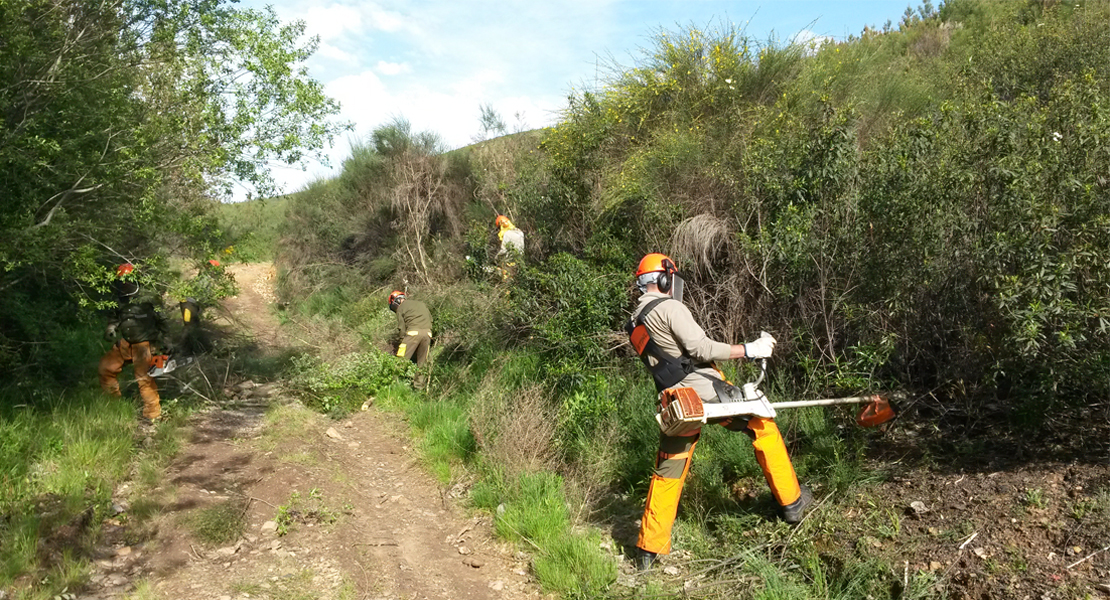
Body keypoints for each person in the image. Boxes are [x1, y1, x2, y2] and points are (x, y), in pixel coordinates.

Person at [625, 253, 812, 571]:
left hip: (675, 402)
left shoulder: (634, 321)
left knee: (669, 469)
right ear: (664, 279)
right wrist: (748, 349)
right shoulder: (670, 307)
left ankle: (648, 549)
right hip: (705, 394)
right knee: (761, 425)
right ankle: (792, 502)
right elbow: (702, 349)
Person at [99, 263, 168, 422]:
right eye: (121, 281)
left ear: (134, 279)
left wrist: (166, 341)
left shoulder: (149, 298)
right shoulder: (119, 299)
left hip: (144, 344)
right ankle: (114, 404)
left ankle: (153, 414)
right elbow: (114, 316)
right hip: (126, 343)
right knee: (106, 368)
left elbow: (163, 320)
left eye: (126, 281)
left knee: (144, 379)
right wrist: (111, 327)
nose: (124, 284)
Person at [388, 290, 432, 367]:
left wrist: (402, 340)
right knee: (422, 364)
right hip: (428, 334)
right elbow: (431, 320)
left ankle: (395, 378)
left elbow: (402, 328)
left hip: (412, 333)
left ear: (396, 301)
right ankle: (420, 379)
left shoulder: (400, 307)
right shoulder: (421, 304)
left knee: (400, 361)